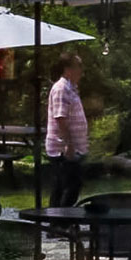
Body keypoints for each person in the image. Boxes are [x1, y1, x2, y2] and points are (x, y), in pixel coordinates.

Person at [45, 53, 88, 207]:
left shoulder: (71, 88)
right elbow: (60, 117)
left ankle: (58, 225)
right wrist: (68, 144)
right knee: (69, 187)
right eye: (78, 67)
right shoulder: (61, 88)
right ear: (68, 69)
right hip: (62, 150)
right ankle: (59, 223)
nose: (81, 71)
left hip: (72, 148)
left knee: (65, 187)